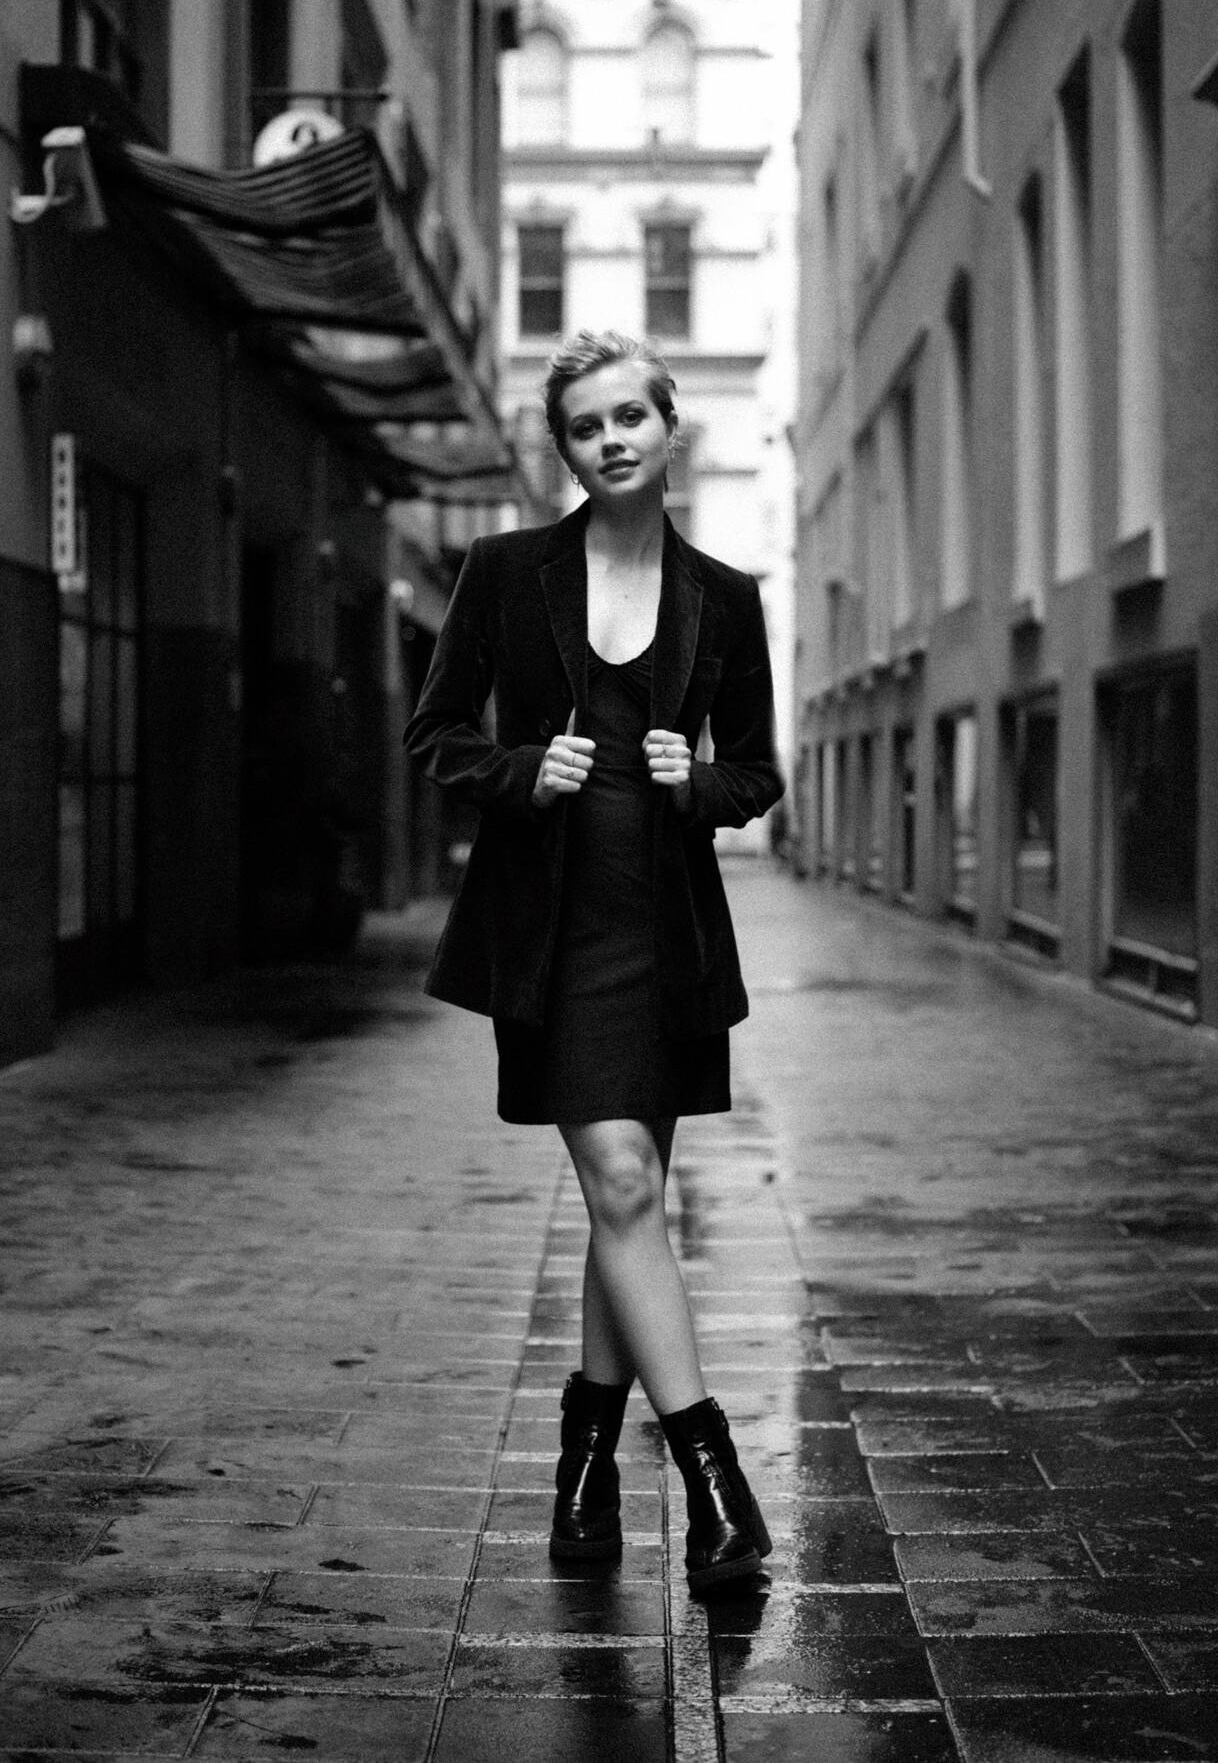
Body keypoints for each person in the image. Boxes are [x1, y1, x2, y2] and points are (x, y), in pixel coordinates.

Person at [404, 330, 784, 1595]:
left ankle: (582, 1468)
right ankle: (714, 1481)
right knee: (621, 1179)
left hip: (666, 933)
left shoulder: (724, 594)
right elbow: (434, 733)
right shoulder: (506, 572)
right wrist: (521, 770)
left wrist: (696, 782)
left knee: (630, 1203)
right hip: (553, 934)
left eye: (631, 416)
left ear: (670, 428)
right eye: (585, 425)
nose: (612, 439)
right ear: (562, 450)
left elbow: (757, 772)